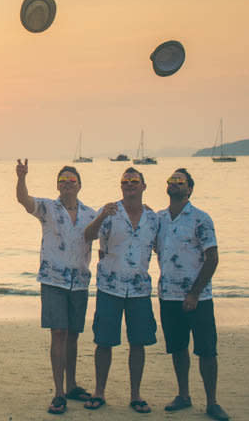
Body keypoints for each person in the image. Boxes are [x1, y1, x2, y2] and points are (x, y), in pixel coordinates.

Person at [15, 160, 96, 414]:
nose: (67, 184)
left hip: (79, 282)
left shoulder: (90, 214)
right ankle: (59, 392)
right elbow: (24, 200)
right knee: (58, 333)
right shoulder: (48, 208)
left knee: (73, 335)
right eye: (62, 180)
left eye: (71, 180)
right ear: (57, 185)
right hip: (53, 280)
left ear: (79, 185)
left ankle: (72, 385)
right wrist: (21, 177)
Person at [83, 167, 160, 413]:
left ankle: (136, 395)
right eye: (125, 181)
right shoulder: (110, 212)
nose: (129, 184)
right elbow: (88, 236)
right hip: (109, 287)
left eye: (134, 181)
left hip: (139, 289)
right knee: (103, 342)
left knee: (138, 343)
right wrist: (101, 216)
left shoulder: (153, 218)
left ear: (144, 186)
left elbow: (163, 249)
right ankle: (99, 392)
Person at [156, 169, 229, 421]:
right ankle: (183, 395)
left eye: (180, 181)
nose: (174, 184)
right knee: (177, 348)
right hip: (168, 296)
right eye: (171, 181)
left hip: (198, 298)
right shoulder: (159, 219)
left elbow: (213, 258)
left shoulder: (201, 219)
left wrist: (195, 294)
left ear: (190, 189)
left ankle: (212, 402)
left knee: (207, 351)